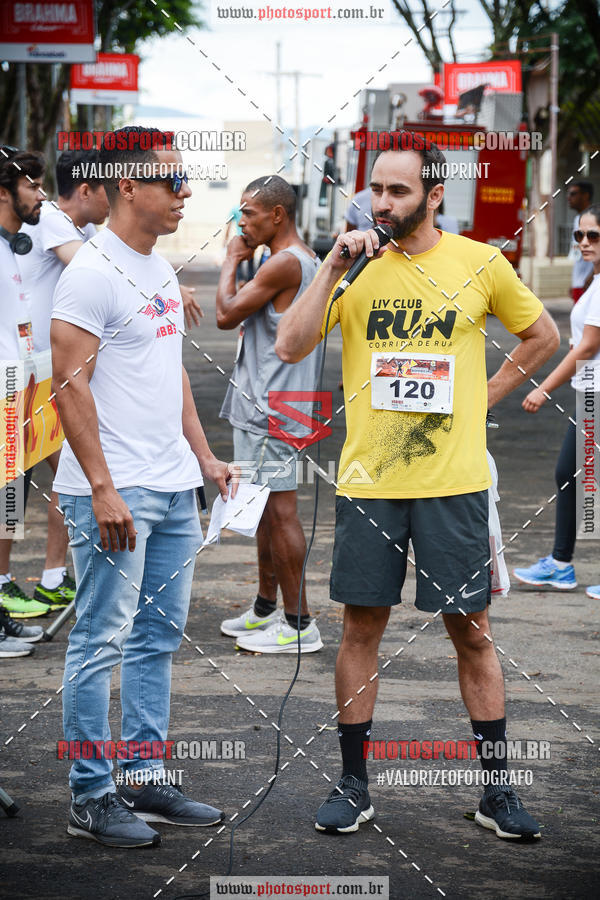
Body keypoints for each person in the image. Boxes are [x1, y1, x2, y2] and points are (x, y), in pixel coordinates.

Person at [275, 138, 560, 839]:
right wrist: (332, 266)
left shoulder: (479, 263)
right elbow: (289, 345)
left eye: (399, 192)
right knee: (361, 628)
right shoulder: (352, 269)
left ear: (434, 196)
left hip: (452, 484)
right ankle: (353, 785)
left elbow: (543, 335)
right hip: (370, 482)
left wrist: (483, 397)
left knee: (472, 634)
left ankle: (496, 793)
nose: (383, 203)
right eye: (377, 189)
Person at [51, 126, 237, 848]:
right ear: (128, 186)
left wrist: (207, 459)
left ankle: (143, 775)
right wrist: (100, 488)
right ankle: (90, 796)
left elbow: (172, 377)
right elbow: (70, 388)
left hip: (172, 489)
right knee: (100, 639)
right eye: (172, 181)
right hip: (115, 491)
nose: (185, 192)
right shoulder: (91, 273)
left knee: (157, 639)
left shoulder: (157, 267)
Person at [217, 175, 323, 654]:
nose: (242, 222)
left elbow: (225, 314)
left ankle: (300, 624)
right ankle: (265, 609)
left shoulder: (284, 262)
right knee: (263, 511)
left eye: (249, 212)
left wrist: (230, 260)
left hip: (272, 408)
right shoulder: (300, 259)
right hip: (284, 402)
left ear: (277, 215)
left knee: (280, 513)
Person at [18, 149, 109, 611]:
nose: (115, 197)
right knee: (14, 479)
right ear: (87, 190)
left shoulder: (85, 228)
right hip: (23, 372)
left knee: (69, 469)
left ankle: (54, 576)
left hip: (44, 370)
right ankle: (15, 583)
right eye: (108, 187)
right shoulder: (52, 219)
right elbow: (98, 271)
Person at [515, 204, 600, 599]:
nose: (584, 242)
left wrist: (543, 387)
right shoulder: (594, 282)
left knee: (573, 477)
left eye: (593, 236)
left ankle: (561, 563)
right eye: (579, 235)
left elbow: (588, 346)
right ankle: (561, 565)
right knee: (570, 476)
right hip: (589, 393)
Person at [0, 145, 58, 623]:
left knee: (10, 496)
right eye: (32, 186)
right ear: (5, 192)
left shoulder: (11, 249)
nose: (41, 196)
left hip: (20, 389)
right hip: (5, 394)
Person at [567, 181, 594, 303]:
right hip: (579, 283)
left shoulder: (593, 218)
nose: (569, 198)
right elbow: (578, 253)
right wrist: (573, 282)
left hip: (589, 283)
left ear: (585, 196)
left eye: (573, 194)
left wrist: (591, 277)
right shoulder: (577, 218)